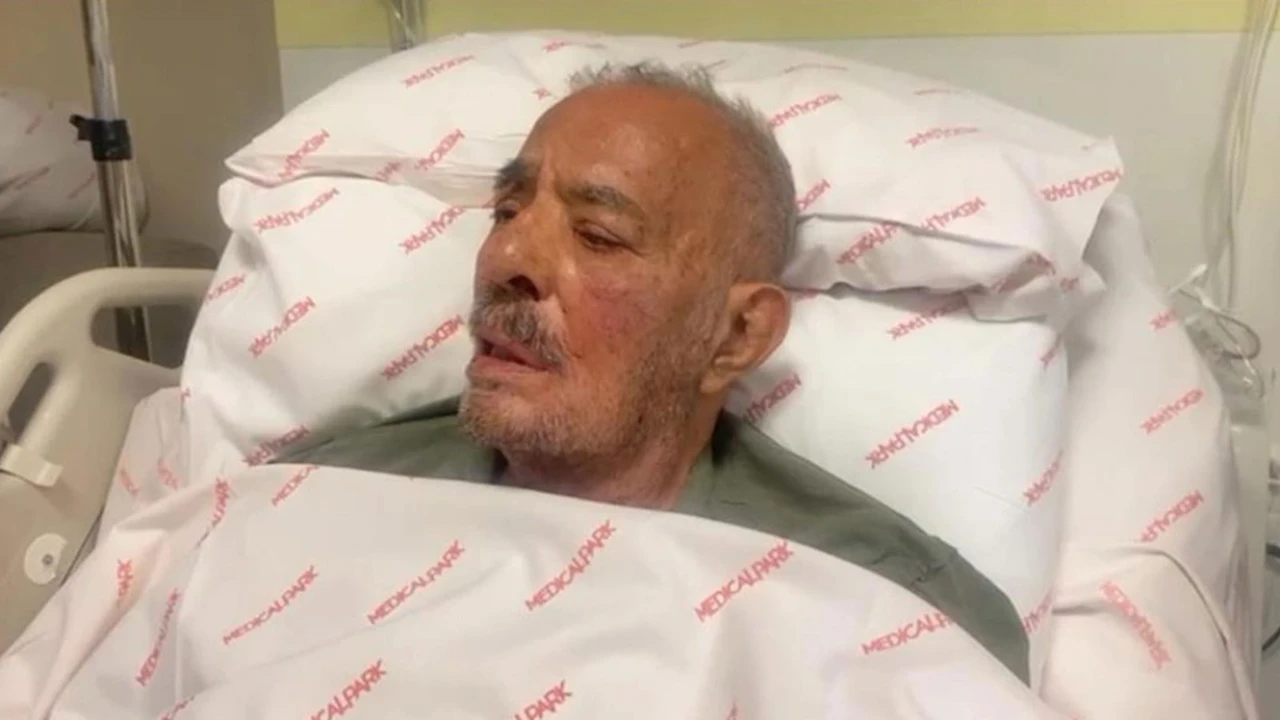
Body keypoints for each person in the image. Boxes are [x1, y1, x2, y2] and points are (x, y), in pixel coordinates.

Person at [279, 62, 1029, 682]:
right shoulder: (313, 503)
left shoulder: (885, 606)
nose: (503, 259)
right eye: (506, 211)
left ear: (736, 336)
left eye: (598, 235)